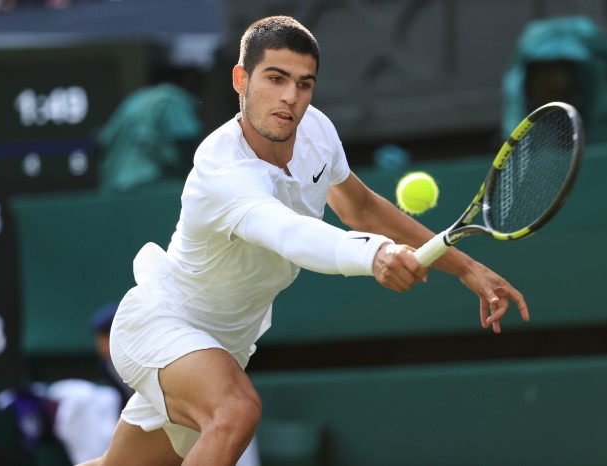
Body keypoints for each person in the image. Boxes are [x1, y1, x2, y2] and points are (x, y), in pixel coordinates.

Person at [78, 15, 529, 466]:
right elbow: (291, 234)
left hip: (225, 345)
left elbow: (362, 208)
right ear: (241, 79)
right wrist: (376, 254)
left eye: (304, 84)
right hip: (162, 324)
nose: (290, 98)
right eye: (275, 78)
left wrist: (466, 267)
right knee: (236, 410)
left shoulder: (316, 131)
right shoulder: (223, 171)